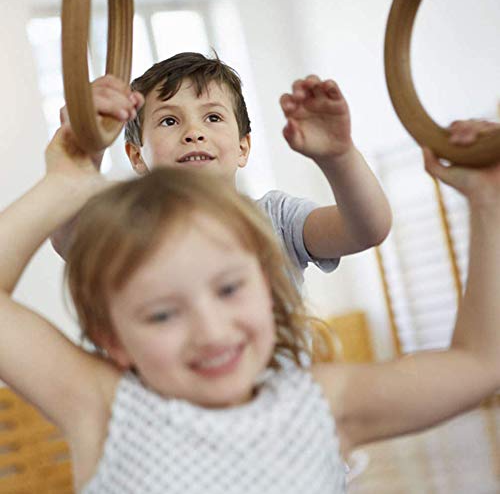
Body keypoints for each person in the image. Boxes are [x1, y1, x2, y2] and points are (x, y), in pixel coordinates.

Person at [0, 118, 499, 493]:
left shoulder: (324, 404)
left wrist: (489, 203)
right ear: (113, 338)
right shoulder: (101, 407)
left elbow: (481, 363)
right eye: (161, 314)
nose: (211, 330)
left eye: (229, 289)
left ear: (268, 284)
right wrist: (61, 187)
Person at [53, 52, 393, 289]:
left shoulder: (275, 220)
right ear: (136, 156)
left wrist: (339, 156)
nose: (193, 132)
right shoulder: (131, 233)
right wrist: (86, 147)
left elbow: (367, 229)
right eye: (169, 120)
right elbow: (72, 241)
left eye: (212, 117)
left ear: (243, 147)